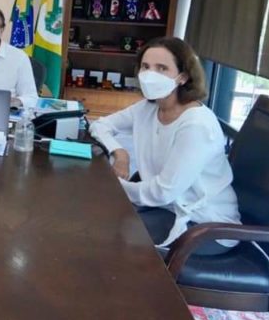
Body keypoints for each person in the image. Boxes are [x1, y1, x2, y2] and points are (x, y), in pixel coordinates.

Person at [89, 37, 240, 253]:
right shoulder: (148, 108)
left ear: (183, 77)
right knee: (95, 219)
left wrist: (114, 187)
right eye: (145, 67)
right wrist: (120, 153)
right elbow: (100, 125)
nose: (150, 75)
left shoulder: (196, 125)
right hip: (165, 209)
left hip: (204, 224)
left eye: (162, 68)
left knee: (106, 238)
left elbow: (162, 192)